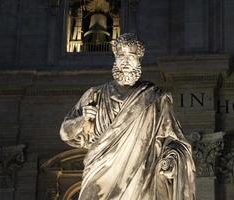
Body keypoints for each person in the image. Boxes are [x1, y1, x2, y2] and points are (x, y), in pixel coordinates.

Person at [60, 33, 195, 200]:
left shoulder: (155, 98)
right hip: (99, 174)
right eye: (121, 55)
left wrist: (171, 158)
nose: (125, 61)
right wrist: (82, 120)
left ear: (138, 60)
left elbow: (174, 138)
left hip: (140, 176)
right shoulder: (95, 95)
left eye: (131, 56)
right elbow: (65, 133)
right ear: (115, 58)